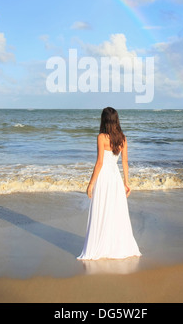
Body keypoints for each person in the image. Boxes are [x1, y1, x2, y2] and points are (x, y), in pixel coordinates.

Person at [77, 107, 141, 260]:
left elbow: (99, 163)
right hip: (116, 178)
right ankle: (115, 246)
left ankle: (102, 245)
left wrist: (90, 184)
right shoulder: (123, 138)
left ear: (104, 120)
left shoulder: (101, 137)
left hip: (104, 178)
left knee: (102, 210)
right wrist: (127, 182)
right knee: (115, 212)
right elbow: (125, 161)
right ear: (116, 120)